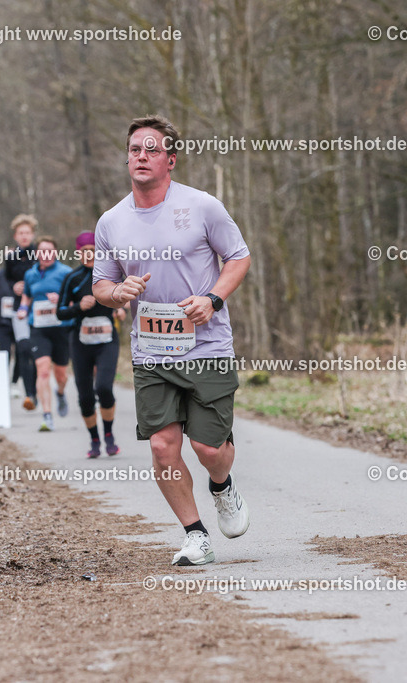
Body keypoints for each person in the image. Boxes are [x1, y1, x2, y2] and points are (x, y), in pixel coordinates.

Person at [92, 115, 252, 567]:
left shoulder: (202, 207)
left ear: (171, 160)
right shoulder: (112, 221)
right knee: (163, 445)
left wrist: (213, 298)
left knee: (209, 450)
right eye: (134, 149)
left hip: (205, 344)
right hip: (151, 349)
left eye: (151, 149)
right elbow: (100, 286)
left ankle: (222, 485)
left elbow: (238, 257)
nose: (141, 155)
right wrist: (117, 292)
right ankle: (195, 534)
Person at [58, 231, 126, 458]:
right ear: (78, 253)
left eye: (93, 251)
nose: (89, 255)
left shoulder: (111, 275)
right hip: (80, 343)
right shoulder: (72, 278)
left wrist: (120, 309)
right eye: (84, 252)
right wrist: (78, 307)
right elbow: (60, 312)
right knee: (85, 396)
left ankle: (109, 435)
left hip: (107, 340)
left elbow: (123, 298)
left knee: (104, 388)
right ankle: (94, 440)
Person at [0, 215, 39, 411]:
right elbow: (8, 280)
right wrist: (16, 287)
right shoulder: (11, 258)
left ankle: (33, 389)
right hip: (16, 311)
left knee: (33, 351)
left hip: (37, 309)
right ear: (16, 236)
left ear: (32, 235)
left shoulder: (40, 254)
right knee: (19, 349)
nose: (24, 236)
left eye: (27, 233)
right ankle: (25, 391)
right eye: (20, 233)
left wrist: (31, 287)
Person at [15, 236, 72, 432]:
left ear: (55, 253)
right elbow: (27, 295)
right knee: (43, 369)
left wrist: (61, 300)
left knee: (61, 374)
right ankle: (47, 415)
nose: (46, 254)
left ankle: (61, 393)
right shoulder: (31, 274)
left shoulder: (65, 273)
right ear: (37, 254)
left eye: (50, 250)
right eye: (42, 251)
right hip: (38, 328)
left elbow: (75, 300)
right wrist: (23, 308)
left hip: (61, 328)